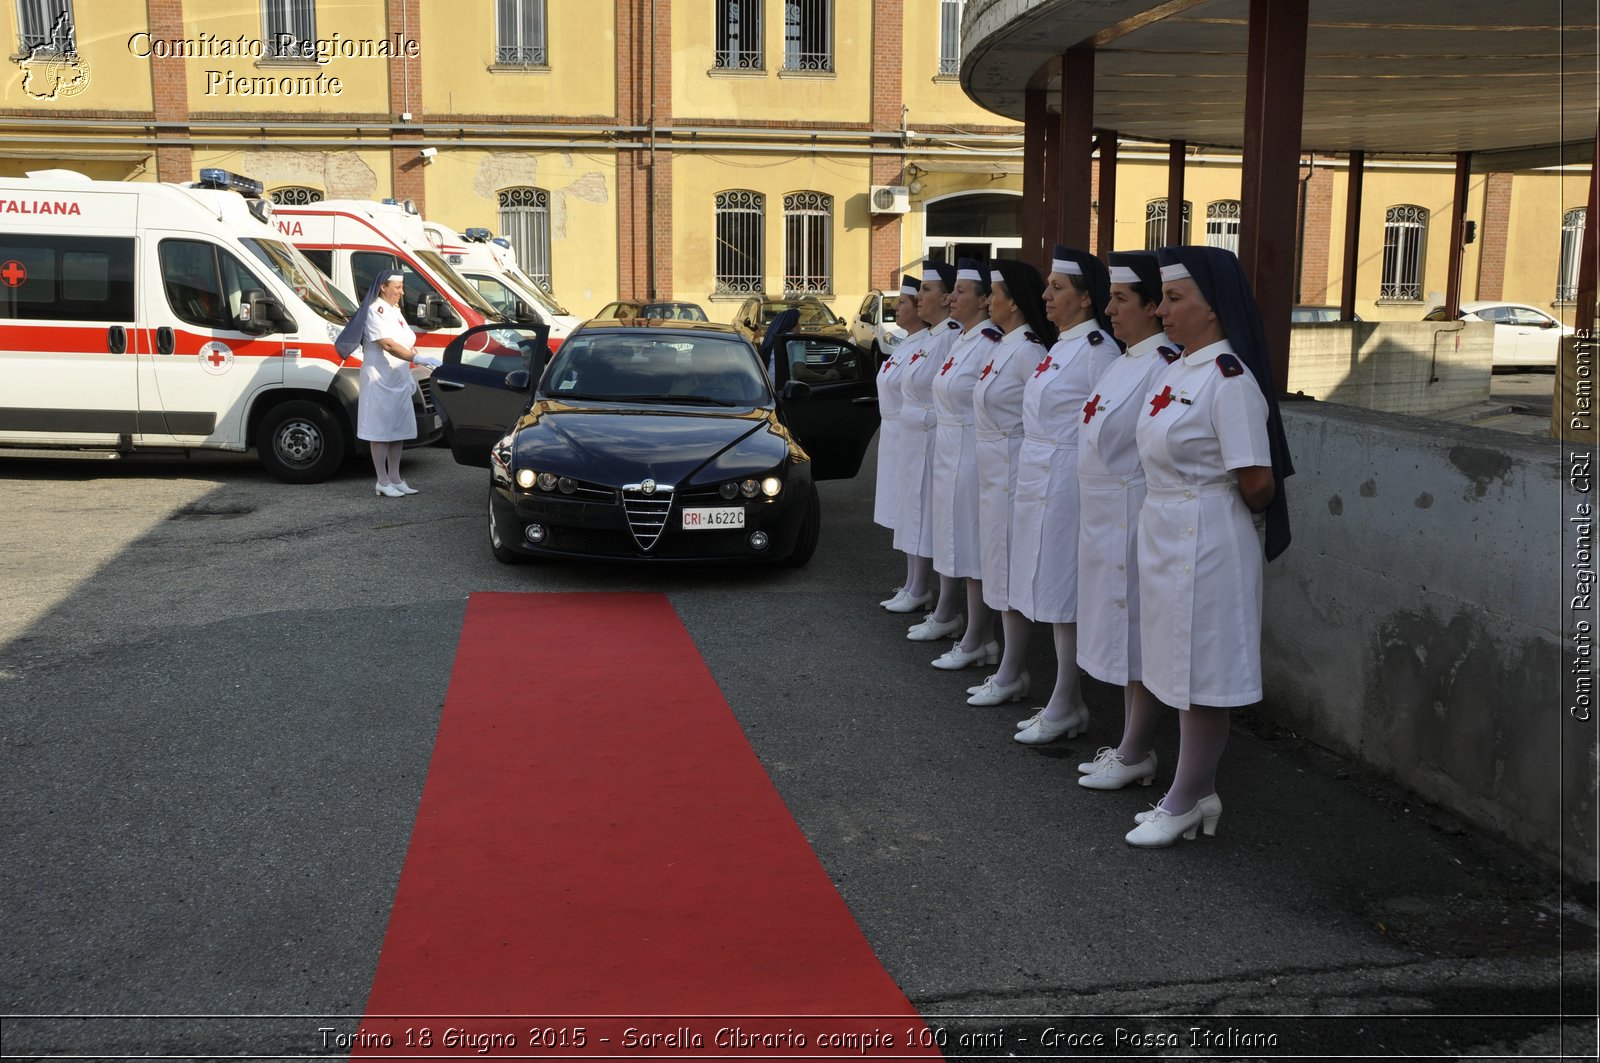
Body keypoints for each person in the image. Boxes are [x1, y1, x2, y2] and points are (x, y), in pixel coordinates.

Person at [1121, 244, 1293, 847]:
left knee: (1203, 673)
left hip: (1210, 536)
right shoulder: (1175, 369)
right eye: (1163, 299)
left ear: (1214, 309)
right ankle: (1194, 791)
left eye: (1175, 299)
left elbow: (1258, 482)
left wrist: (1206, 507)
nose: (1163, 311)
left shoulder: (1230, 379)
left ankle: (1187, 795)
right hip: (1165, 529)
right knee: (1170, 662)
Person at [1069, 251, 1180, 774]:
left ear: (1153, 306)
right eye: (1109, 298)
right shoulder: (1124, 358)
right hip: (1102, 513)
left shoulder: (1161, 366)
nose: (1110, 311)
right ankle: (1127, 742)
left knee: (1135, 632)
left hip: (1131, 512)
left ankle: (1136, 749)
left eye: (1120, 299)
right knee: (1117, 629)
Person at [1010, 245, 1121, 743]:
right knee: (1048, 587)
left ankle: (1065, 699)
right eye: (1048, 286)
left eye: (1057, 287)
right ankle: (1065, 699)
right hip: (1039, 475)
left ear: (1085, 298)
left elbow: (1104, 427)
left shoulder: (1100, 351)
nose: (1045, 295)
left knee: (1063, 591)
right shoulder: (1060, 345)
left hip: (1069, 481)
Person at [966, 259, 1054, 706]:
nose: (988, 301)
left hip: (1015, 471)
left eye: (994, 294)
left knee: (1009, 570)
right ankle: (1005, 665)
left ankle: (1012, 669)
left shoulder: (1030, 351)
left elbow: (1037, 416)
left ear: (1013, 303)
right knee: (996, 566)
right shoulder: (1004, 346)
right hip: (993, 470)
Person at [927, 258, 997, 671]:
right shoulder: (965, 338)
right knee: (956, 541)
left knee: (972, 547)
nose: (951, 297)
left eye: (962, 292)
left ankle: (979, 635)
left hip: (972, 452)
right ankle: (967, 629)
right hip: (951, 450)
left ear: (986, 300)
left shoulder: (988, 341)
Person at [894, 260, 965, 630]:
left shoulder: (951, 334)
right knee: (914, 512)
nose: (918, 296)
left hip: (935, 436)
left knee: (934, 520)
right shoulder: (934, 335)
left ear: (946, 296)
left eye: (926, 290)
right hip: (916, 435)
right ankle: (915, 585)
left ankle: (937, 599)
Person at [336, 271, 440, 497]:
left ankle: (395, 477)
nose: (402, 292)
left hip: (399, 376)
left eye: (402, 287)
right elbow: (388, 345)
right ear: (383, 286)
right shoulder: (375, 311)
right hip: (380, 377)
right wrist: (417, 359)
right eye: (398, 287)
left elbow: (404, 341)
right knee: (381, 430)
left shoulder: (394, 311)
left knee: (397, 428)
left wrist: (413, 362)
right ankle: (382, 481)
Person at [876, 276, 931, 610]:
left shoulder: (927, 342)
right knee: (902, 512)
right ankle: (911, 581)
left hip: (910, 433)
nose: (898, 308)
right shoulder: (906, 342)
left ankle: (919, 585)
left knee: (914, 511)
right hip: (895, 435)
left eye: (904, 303)